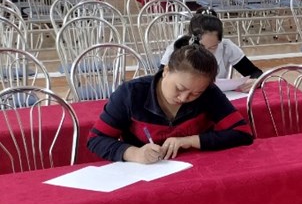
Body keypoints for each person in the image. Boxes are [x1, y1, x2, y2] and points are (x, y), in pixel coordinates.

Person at [88, 41, 254, 164]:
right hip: (143, 175)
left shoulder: (208, 93)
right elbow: (96, 139)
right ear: (166, 71)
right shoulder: (131, 94)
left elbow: (242, 133)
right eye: (179, 88)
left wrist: (189, 141)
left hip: (196, 169)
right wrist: (134, 153)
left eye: (195, 93)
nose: (183, 98)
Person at [158, 13, 263, 92]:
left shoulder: (226, 46)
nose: (206, 52)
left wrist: (255, 81)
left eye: (213, 47)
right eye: (202, 47)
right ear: (192, 40)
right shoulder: (179, 46)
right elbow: (160, 78)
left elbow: (255, 72)